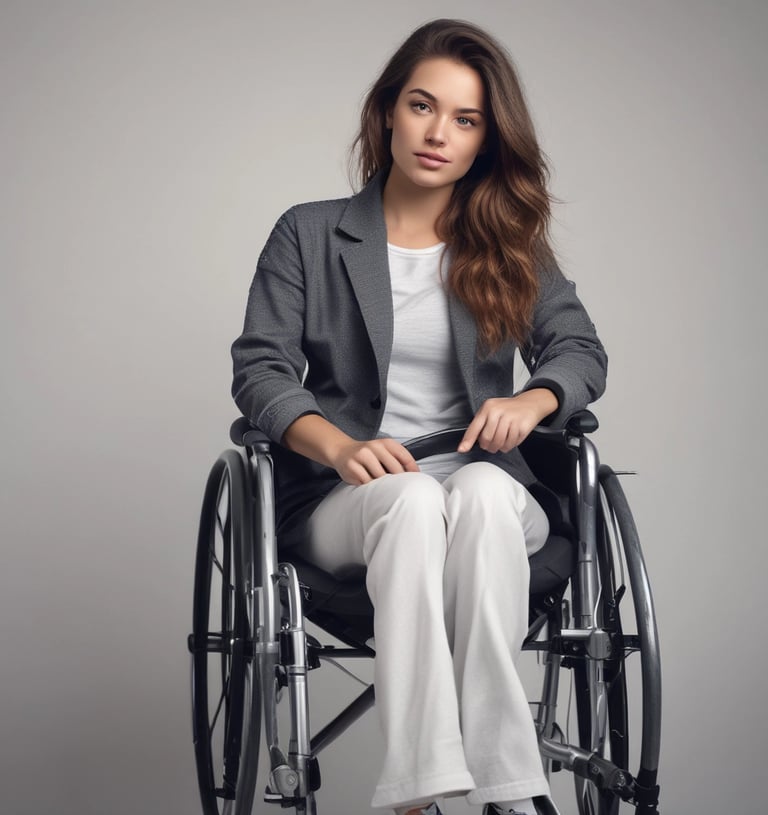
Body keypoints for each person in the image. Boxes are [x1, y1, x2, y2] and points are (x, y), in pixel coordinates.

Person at [232, 18, 607, 815]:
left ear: (485, 142)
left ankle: (504, 783)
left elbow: (578, 351)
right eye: (422, 106)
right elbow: (260, 370)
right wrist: (337, 447)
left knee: (469, 493)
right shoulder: (308, 233)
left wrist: (531, 398)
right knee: (410, 500)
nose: (439, 133)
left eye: (466, 119)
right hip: (353, 496)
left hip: (485, 489)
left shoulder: (508, 246)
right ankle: (421, 788)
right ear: (388, 114)